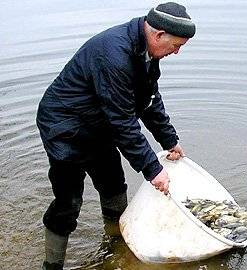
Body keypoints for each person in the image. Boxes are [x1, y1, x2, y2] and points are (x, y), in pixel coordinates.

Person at [36, 2, 196, 269]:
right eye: (175, 46)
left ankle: (116, 246)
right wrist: (153, 169)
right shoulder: (113, 54)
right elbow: (123, 121)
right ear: (158, 35)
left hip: (98, 122)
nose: (176, 52)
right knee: (69, 201)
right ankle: (52, 265)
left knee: (113, 185)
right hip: (65, 127)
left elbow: (149, 99)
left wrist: (170, 140)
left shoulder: (147, 53)